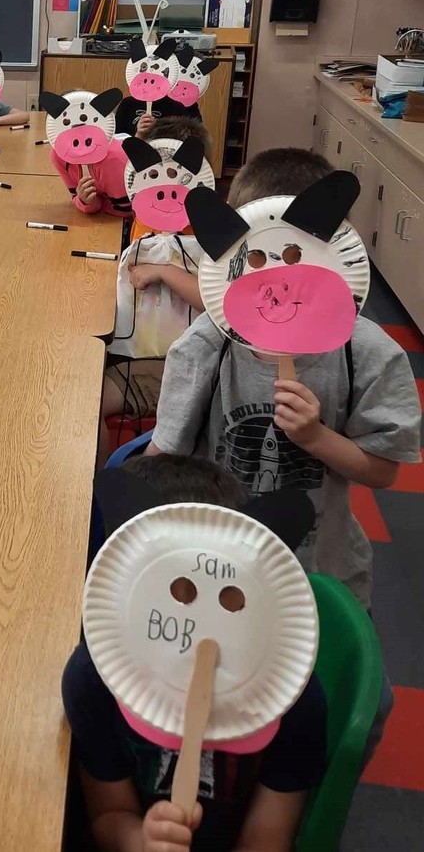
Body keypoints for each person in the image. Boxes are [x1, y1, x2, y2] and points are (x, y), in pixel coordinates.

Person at [147, 148, 422, 611]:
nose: (279, 276)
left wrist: (316, 437)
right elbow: (168, 453)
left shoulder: (368, 353)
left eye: (298, 256)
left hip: (320, 572)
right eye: (259, 258)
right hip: (218, 567)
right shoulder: (205, 348)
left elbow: (383, 469)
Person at [63, 455, 328, 852]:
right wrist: (143, 841)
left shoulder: (291, 696)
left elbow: (268, 837)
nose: (195, 628)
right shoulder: (95, 676)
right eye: (174, 597)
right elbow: (108, 816)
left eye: (226, 600)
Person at [98, 117, 215, 463]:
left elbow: (217, 302)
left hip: (169, 361)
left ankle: (101, 491)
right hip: (135, 345)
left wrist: (162, 272)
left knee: (87, 399)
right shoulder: (147, 213)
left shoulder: (209, 232)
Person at [116, 92, 202, 139]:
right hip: (133, 160)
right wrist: (139, 135)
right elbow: (117, 140)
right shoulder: (128, 104)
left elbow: (191, 140)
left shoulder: (177, 106)